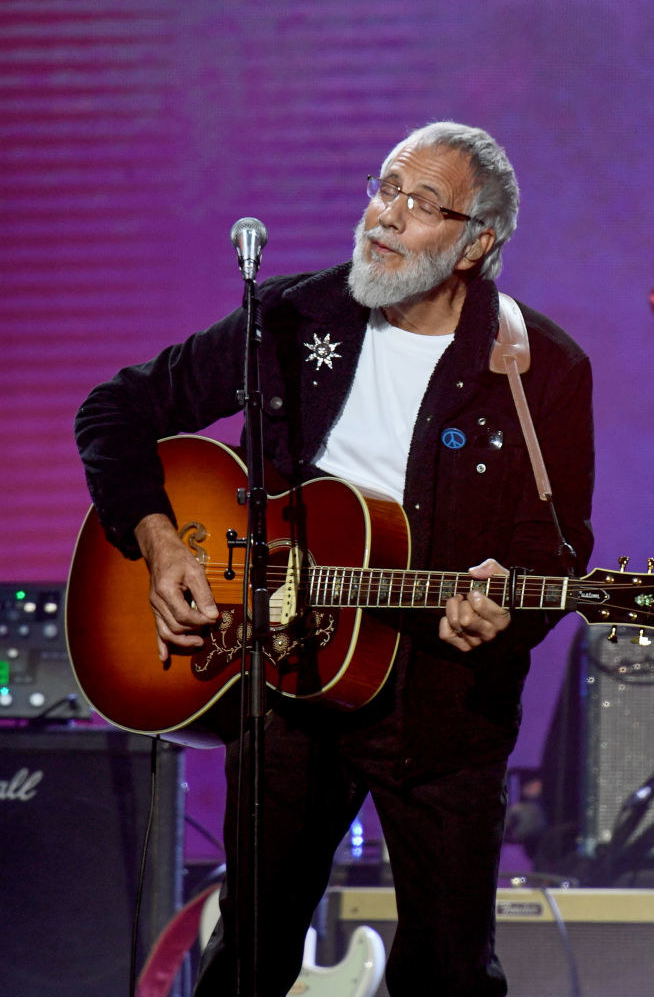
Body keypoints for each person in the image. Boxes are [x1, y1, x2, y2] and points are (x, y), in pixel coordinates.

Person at [75, 121, 594, 995]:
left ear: (478, 243)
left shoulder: (542, 368)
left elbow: (555, 551)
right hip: (283, 693)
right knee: (249, 960)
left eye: (421, 203)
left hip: (440, 716)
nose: (385, 216)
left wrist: (508, 606)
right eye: (383, 188)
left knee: (450, 976)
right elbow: (114, 411)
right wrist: (160, 541)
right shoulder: (292, 317)